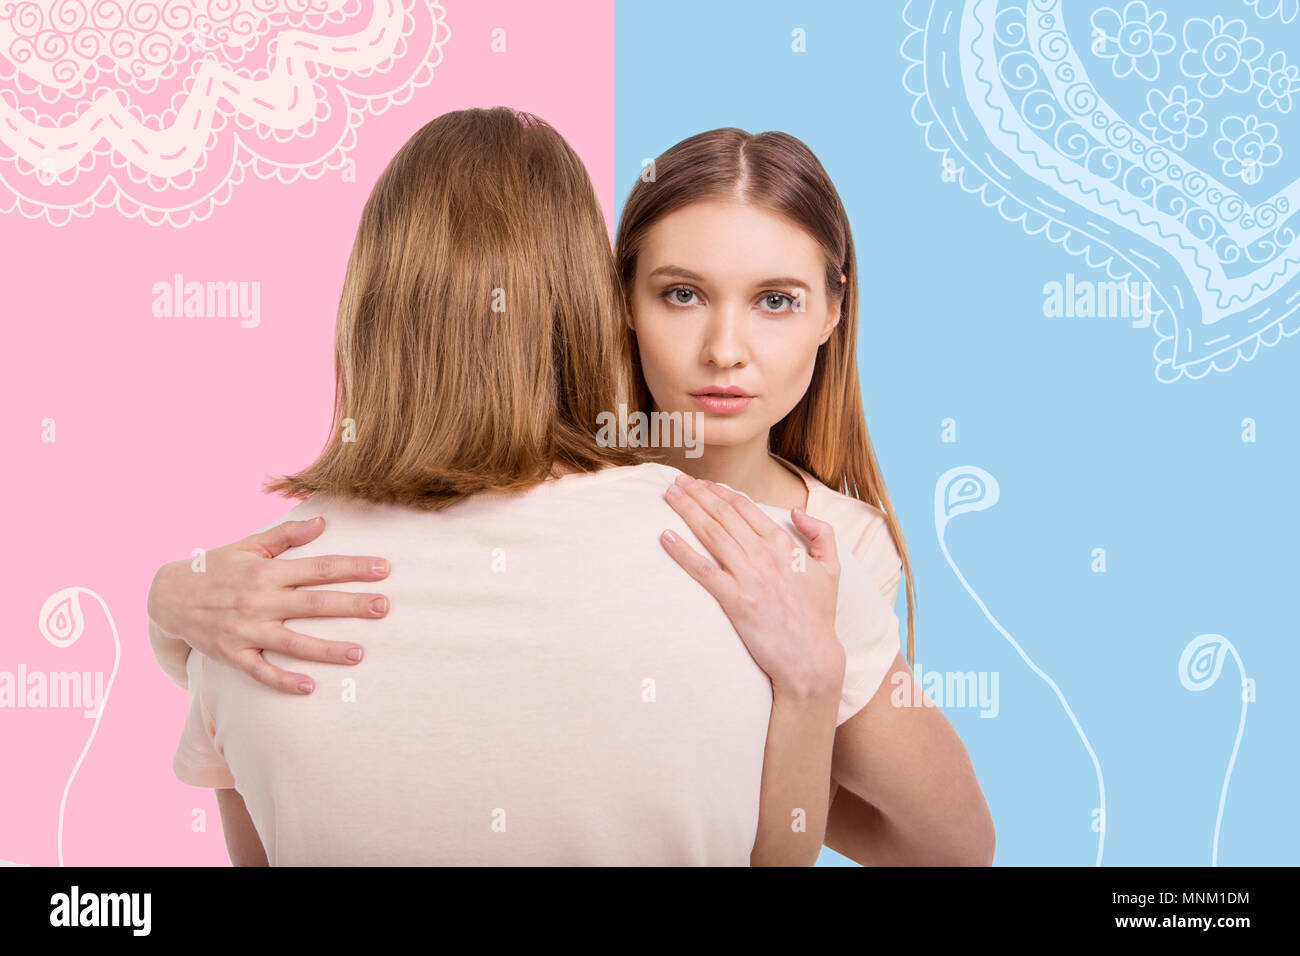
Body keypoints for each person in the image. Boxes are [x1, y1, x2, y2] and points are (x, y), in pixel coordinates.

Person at [153, 107, 905, 866]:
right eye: (682, 294)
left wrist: (170, 609)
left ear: (370, 306)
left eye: (775, 299)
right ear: (605, 305)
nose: (725, 352)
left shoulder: (248, 611)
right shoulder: (780, 573)